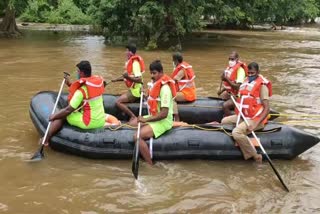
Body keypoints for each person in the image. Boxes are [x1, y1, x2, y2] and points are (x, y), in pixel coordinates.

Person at [42, 60, 119, 146]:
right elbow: (87, 94)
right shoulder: (98, 84)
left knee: (62, 116)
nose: (77, 73)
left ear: (81, 73)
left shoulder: (81, 91)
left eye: (77, 71)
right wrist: (69, 84)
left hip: (88, 123)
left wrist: (54, 116)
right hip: (100, 120)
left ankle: (46, 140)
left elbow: (68, 110)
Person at [221, 62, 272, 163]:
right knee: (224, 121)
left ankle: (255, 155)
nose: (250, 75)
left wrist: (255, 124)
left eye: (252, 73)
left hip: (255, 118)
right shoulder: (246, 82)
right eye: (248, 73)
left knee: (236, 132)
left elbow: (267, 108)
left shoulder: (262, 86)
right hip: (244, 116)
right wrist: (233, 97)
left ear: (258, 72)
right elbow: (242, 98)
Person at [131, 60, 176, 165]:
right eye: (151, 73)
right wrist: (145, 94)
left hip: (163, 121)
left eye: (154, 73)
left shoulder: (165, 89)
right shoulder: (155, 84)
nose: (152, 75)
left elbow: (164, 114)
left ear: (161, 72)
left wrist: (145, 120)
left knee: (137, 136)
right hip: (154, 116)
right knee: (132, 123)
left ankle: (150, 164)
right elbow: (153, 99)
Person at [112, 44, 145, 122]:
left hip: (136, 91)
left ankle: (132, 116)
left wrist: (127, 77)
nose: (125, 53)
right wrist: (116, 80)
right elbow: (128, 77)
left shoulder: (135, 63)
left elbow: (139, 79)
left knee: (118, 102)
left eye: (126, 51)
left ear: (130, 52)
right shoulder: (131, 62)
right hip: (133, 89)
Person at [217, 51, 248, 116]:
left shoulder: (240, 70)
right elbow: (228, 85)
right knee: (220, 97)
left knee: (225, 106)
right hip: (231, 92)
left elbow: (237, 87)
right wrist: (221, 91)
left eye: (232, 59)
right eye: (229, 59)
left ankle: (233, 118)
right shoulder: (230, 68)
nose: (230, 61)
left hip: (238, 95)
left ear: (237, 59)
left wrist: (226, 79)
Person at [171, 52, 196, 121]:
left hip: (187, 94)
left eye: (173, 60)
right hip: (189, 92)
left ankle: (176, 117)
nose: (172, 62)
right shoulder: (184, 66)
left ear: (176, 61)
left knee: (171, 97)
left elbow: (175, 79)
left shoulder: (182, 70)